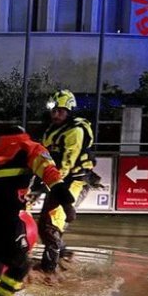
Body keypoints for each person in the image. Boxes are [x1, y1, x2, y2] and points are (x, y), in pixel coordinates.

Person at [0, 125, 75, 296]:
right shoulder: (30, 147)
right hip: (5, 215)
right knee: (21, 265)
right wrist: (67, 203)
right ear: (23, 134)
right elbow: (51, 175)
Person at [36, 89, 95, 272]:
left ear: (69, 111)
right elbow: (42, 158)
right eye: (53, 111)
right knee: (43, 224)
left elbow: (66, 164)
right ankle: (64, 255)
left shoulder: (75, 131)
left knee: (52, 225)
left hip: (74, 182)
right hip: (58, 182)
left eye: (60, 111)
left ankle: (49, 272)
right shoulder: (50, 131)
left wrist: (48, 184)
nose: (55, 114)